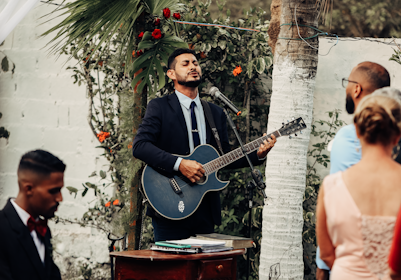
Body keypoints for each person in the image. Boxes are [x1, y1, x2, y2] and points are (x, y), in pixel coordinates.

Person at [132, 48, 276, 241]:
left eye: (195, 63)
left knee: (203, 270)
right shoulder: (159, 107)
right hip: (169, 204)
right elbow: (140, 146)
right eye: (186, 64)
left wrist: (258, 154)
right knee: (174, 270)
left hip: (204, 208)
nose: (193, 66)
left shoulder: (215, 112)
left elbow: (224, 157)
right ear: (171, 74)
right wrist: (180, 164)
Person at [316, 61, 391, 279]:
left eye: (347, 83)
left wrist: (323, 266)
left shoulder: (348, 137)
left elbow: (335, 210)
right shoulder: (395, 137)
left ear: (356, 89)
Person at [0, 149, 65, 280]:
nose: (60, 198)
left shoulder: (43, 230)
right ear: (28, 189)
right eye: (54, 191)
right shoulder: (2, 229)